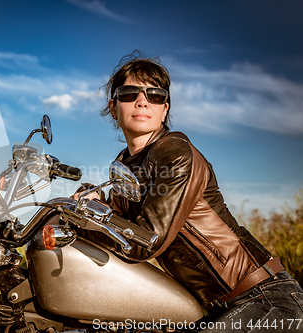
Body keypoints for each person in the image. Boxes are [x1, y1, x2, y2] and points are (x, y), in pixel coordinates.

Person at [79, 50, 303, 332]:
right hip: (218, 307)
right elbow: (117, 223)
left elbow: (143, 241)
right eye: (129, 93)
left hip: (263, 298)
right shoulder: (127, 166)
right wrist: (85, 199)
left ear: (165, 109)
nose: (141, 101)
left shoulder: (175, 153)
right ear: (113, 107)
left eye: (154, 95)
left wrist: (83, 224)